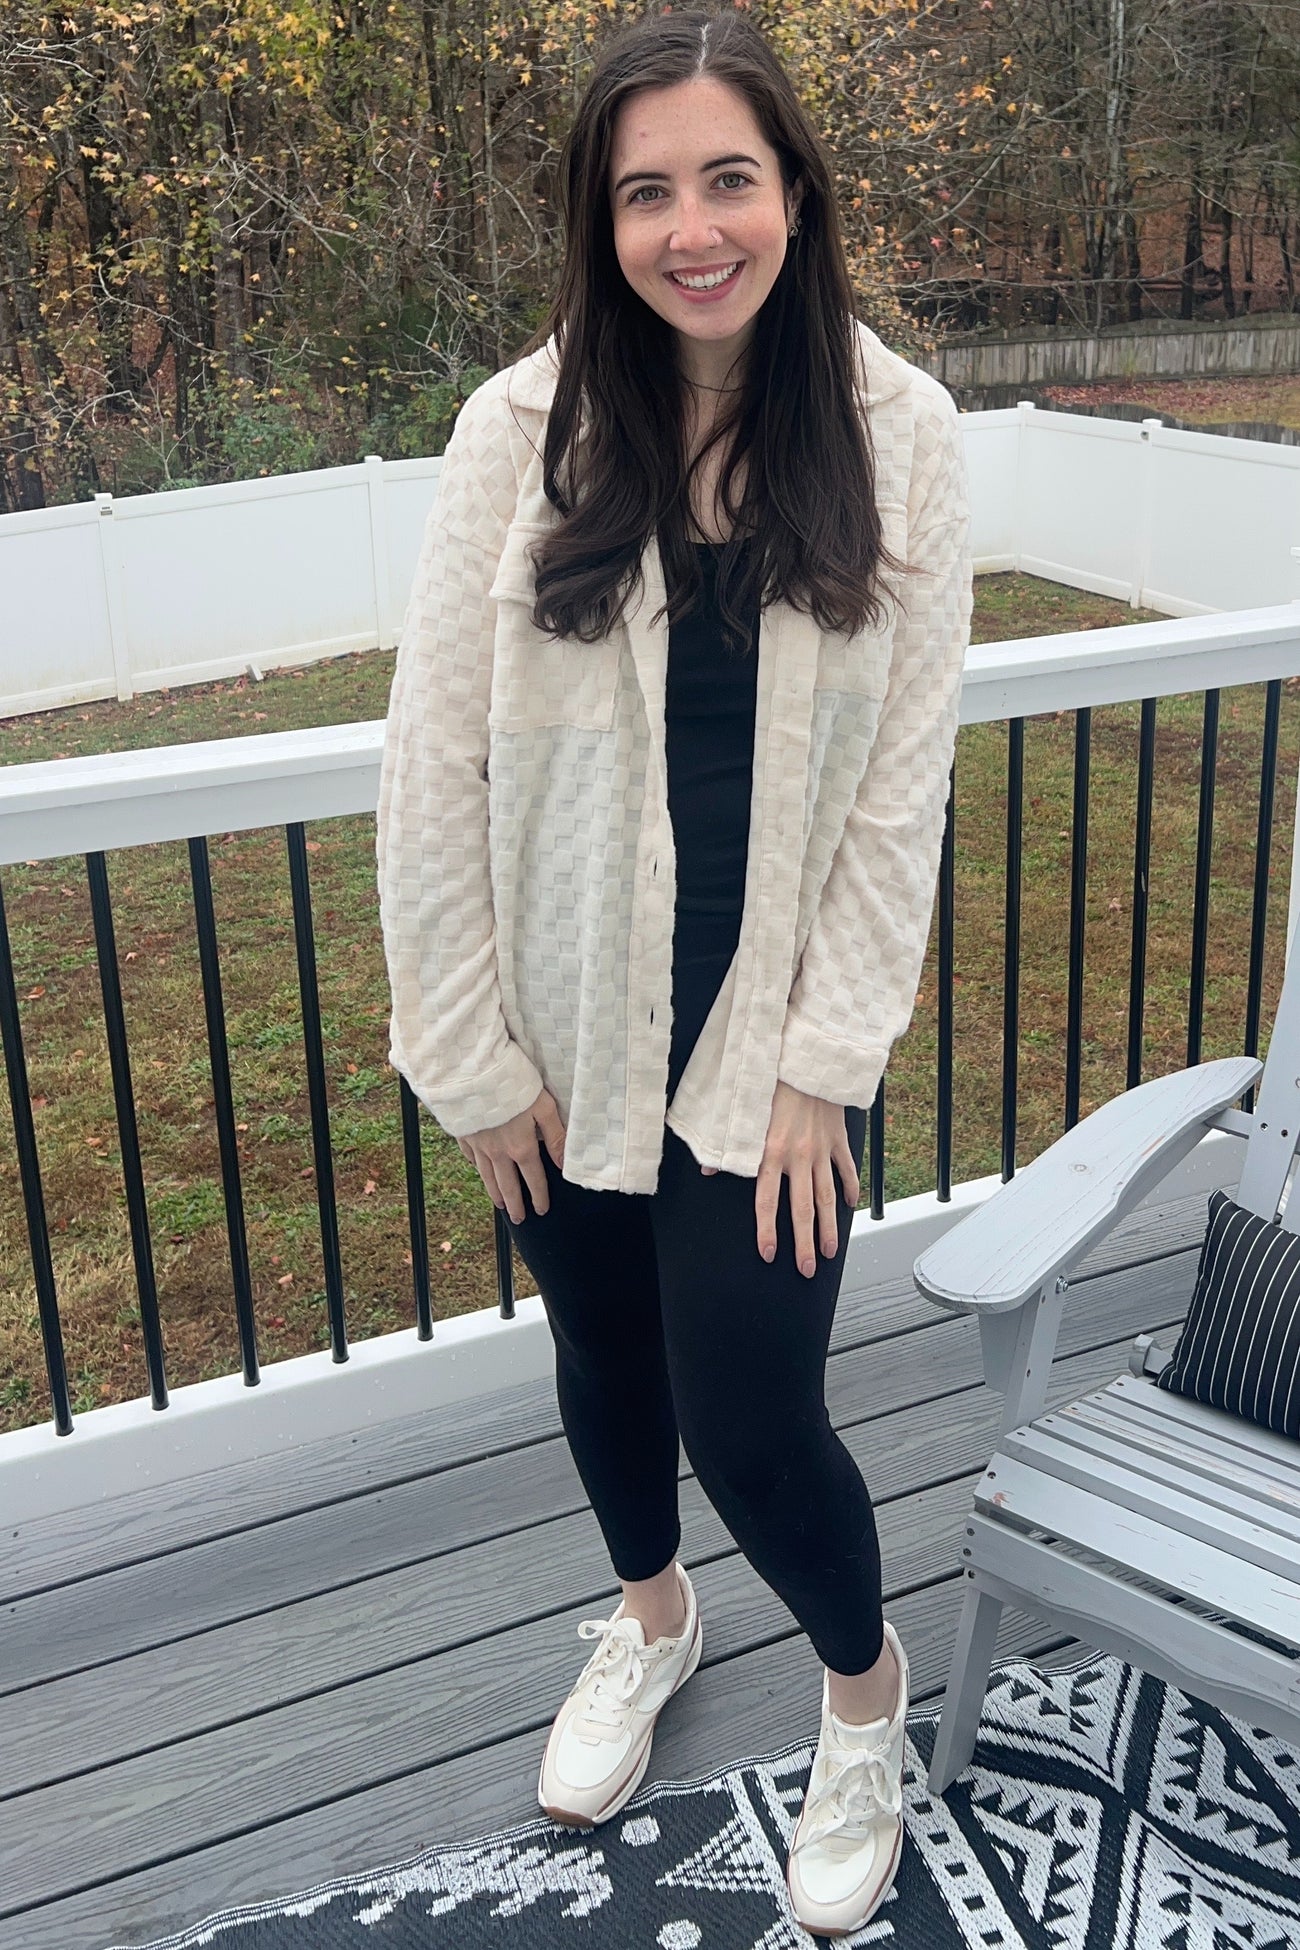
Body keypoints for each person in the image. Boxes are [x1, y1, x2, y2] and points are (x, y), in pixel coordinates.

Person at [376, 7, 972, 1935]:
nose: (692, 228)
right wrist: (470, 1052)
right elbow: (430, 766)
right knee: (607, 1352)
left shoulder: (898, 433)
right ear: (602, 218)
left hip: (774, 1039)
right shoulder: (518, 433)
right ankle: (650, 1615)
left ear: (794, 191)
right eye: (648, 192)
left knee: (754, 1408)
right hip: (559, 1029)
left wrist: (826, 1063)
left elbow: (900, 794)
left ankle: (862, 1694)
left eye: (729, 178)